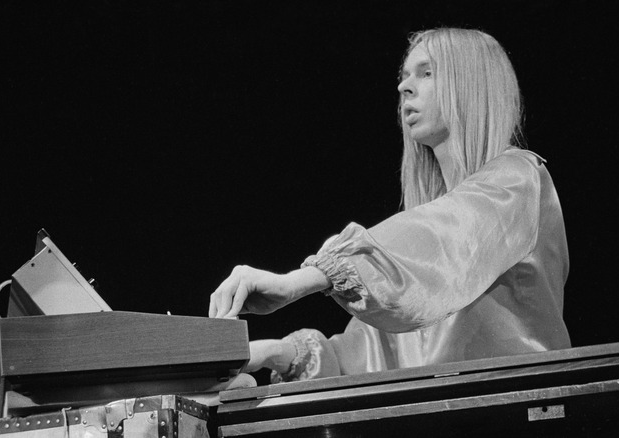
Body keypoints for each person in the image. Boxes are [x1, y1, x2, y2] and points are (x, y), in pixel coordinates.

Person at [209, 28, 571, 382]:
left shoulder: (518, 178)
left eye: (426, 73)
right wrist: (275, 352)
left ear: (471, 85)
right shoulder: (417, 273)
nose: (404, 87)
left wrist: (296, 282)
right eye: (404, 76)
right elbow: (369, 355)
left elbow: (445, 239)